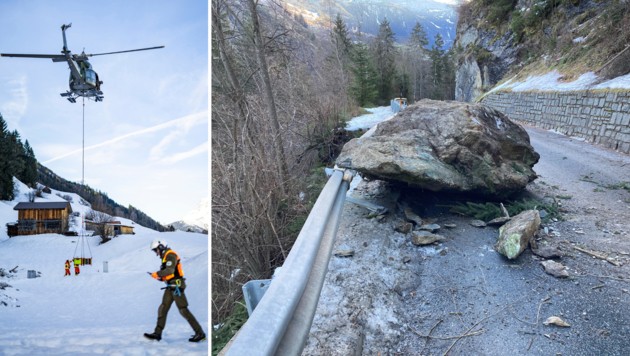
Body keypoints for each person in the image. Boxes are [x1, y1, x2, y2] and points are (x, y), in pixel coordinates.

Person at [144, 239, 206, 342]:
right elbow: (169, 274)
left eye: (156, 250)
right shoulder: (165, 258)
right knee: (162, 309)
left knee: (183, 310)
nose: (156, 253)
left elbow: (170, 270)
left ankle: (200, 333)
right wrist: (160, 278)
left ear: (161, 247)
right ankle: (157, 333)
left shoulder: (170, 255)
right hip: (170, 286)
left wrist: (157, 274)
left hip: (177, 286)